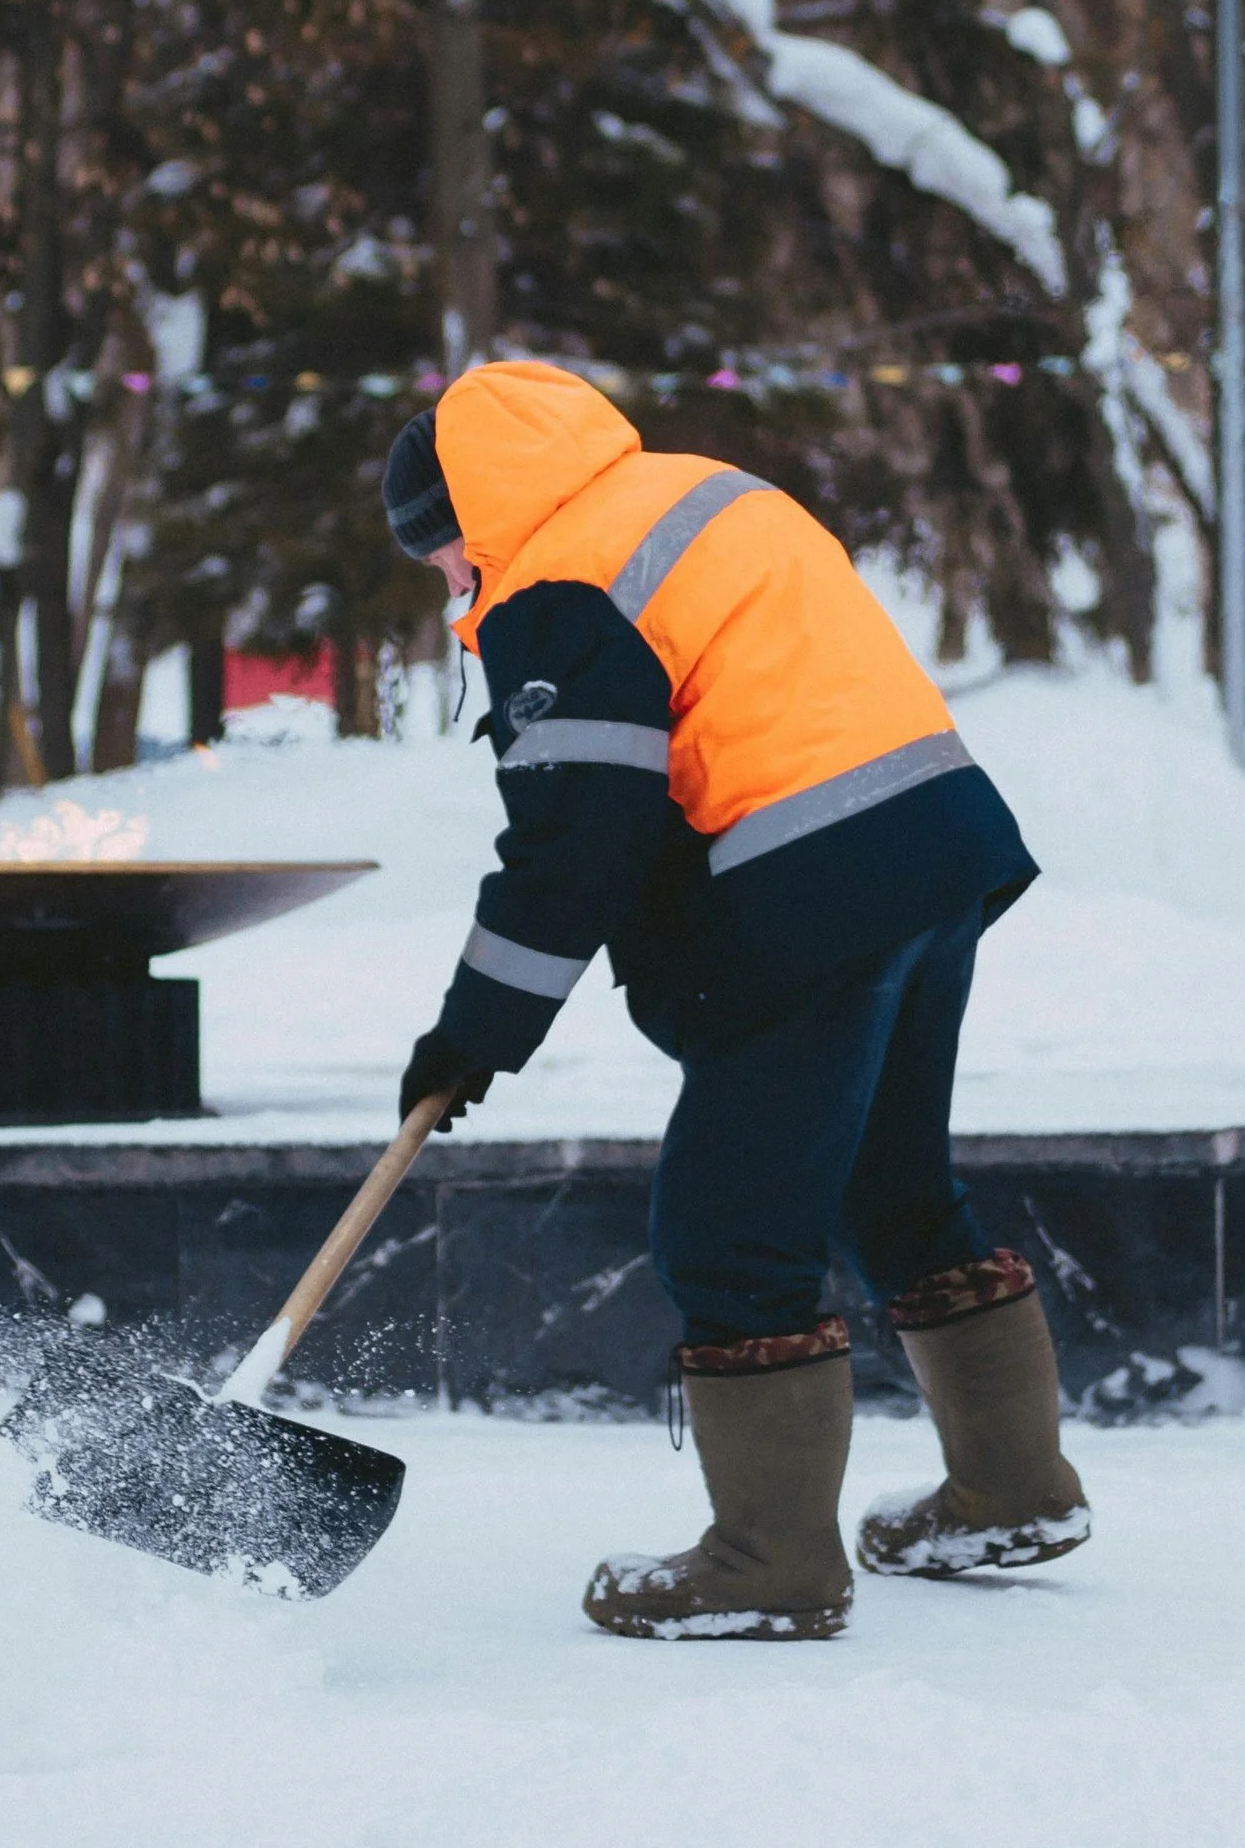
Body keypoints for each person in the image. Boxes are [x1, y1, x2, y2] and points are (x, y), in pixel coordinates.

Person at [386, 360, 1087, 1642]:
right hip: (933, 846)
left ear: (468, 525)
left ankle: (768, 1561)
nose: (448, 592)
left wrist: (473, 1032)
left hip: (804, 892)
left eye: (439, 563)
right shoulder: (695, 494)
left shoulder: (556, 586)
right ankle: (1010, 1489)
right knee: (890, 1184)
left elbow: (573, 849)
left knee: (728, 1229)